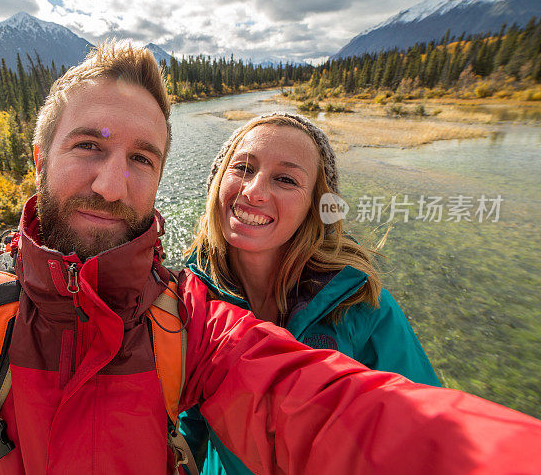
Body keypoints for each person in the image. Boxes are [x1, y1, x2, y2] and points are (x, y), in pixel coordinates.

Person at [0, 41, 541, 475]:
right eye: (88, 144)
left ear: (161, 178)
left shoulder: (193, 320)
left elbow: (344, 413)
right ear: (38, 155)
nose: (112, 182)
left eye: (143, 159)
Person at [178, 114, 441, 474]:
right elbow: (187, 427)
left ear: (315, 206)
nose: (254, 191)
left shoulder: (362, 309)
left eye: (285, 179)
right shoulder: (190, 305)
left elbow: (427, 439)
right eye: (242, 167)